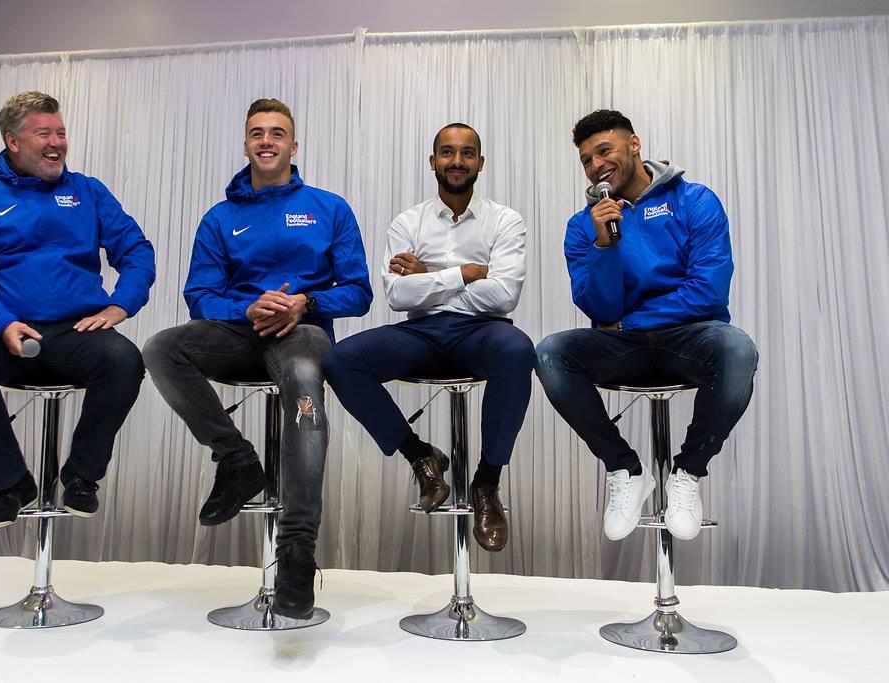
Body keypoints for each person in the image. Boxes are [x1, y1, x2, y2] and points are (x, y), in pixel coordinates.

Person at [143, 98, 372, 619]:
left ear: (294, 145)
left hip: (303, 334)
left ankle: (296, 549)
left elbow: (358, 292)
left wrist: (305, 303)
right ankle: (237, 460)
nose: (266, 141)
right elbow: (199, 294)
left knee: (303, 374)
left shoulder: (329, 207)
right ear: (246, 144)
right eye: (256, 133)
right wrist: (247, 307)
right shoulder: (221, 217)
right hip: (239, 334)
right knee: (160, 348)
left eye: (277, 133)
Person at [0, 91, 155, 531]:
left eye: (61, 132)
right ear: (13, 141)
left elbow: (136, 249)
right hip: (5, 331)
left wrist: (121, 304)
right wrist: (1, 322)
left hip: (76, 331)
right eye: (43, 133)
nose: (56, 142)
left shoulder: (88, 192)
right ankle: (10, 483)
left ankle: (80, 477)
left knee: (124, 359)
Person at [535, 109, 758, 541]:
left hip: (689, 341)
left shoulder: (694, 200)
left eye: (604, 150)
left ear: (633, 145)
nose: (596, 164)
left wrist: (630, 320)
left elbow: (707, 294)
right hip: (627, 349)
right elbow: (599, 308)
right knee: (550, 352)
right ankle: (624, 469)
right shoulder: (584, 227)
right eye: (586, 159)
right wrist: (604, 245)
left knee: (737, 348)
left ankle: (688, 473)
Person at [323, 123, 534, 552]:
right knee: (340, 361)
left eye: (467, 153)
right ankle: (421, 456)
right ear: (432, 161)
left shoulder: (505, 220)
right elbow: (398, 295)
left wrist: (428, 274)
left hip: (483, 332)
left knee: (518, 351)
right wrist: (466, 272)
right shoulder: (408, 222)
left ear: (481, 162)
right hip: (421, 331)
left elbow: (504, 295)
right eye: (448, 152)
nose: (457, 161)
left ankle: (486, 483)